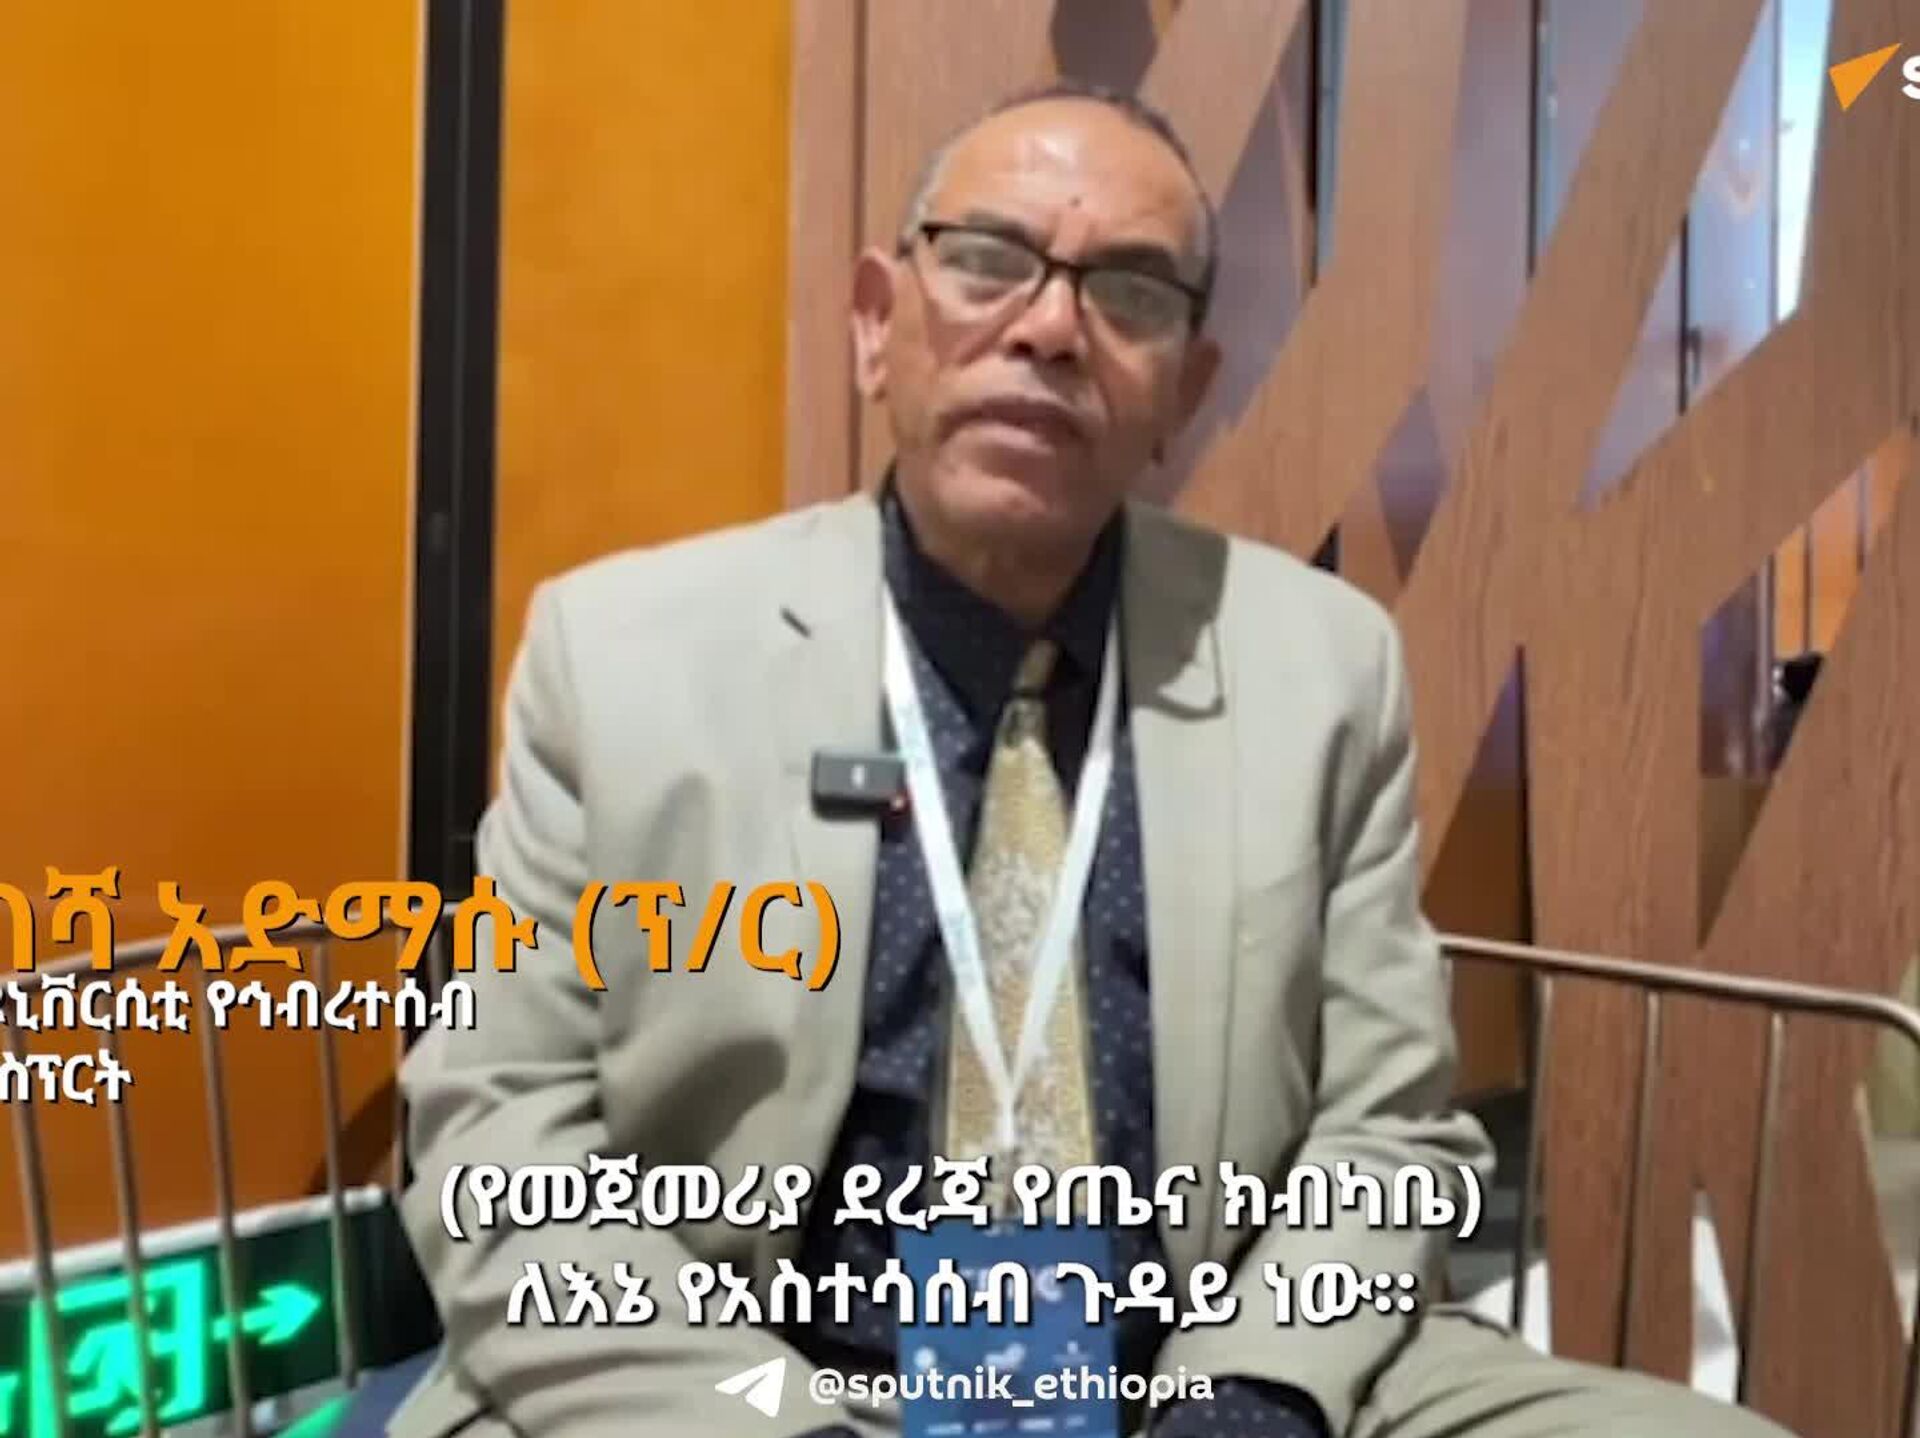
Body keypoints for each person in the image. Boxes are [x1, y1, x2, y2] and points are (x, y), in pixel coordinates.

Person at [390, 81, 1796, 1438]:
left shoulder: (1322, 666)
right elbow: (496, 1137)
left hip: (1198, 1362)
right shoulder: (622, 653)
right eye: (989, 260)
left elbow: (1390, 1136)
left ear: (1185, 388)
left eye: (1129, 291)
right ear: (878, 323)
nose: (1052, 329)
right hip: (753, 1377)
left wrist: (1251, 1394)